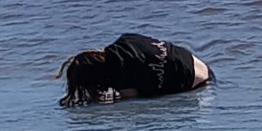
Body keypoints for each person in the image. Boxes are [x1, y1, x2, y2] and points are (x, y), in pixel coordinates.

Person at [55, 33, 213, 107]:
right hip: (198, 63)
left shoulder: (121, 79)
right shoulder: (126, 40)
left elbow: (131, 96)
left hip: (194, 84)